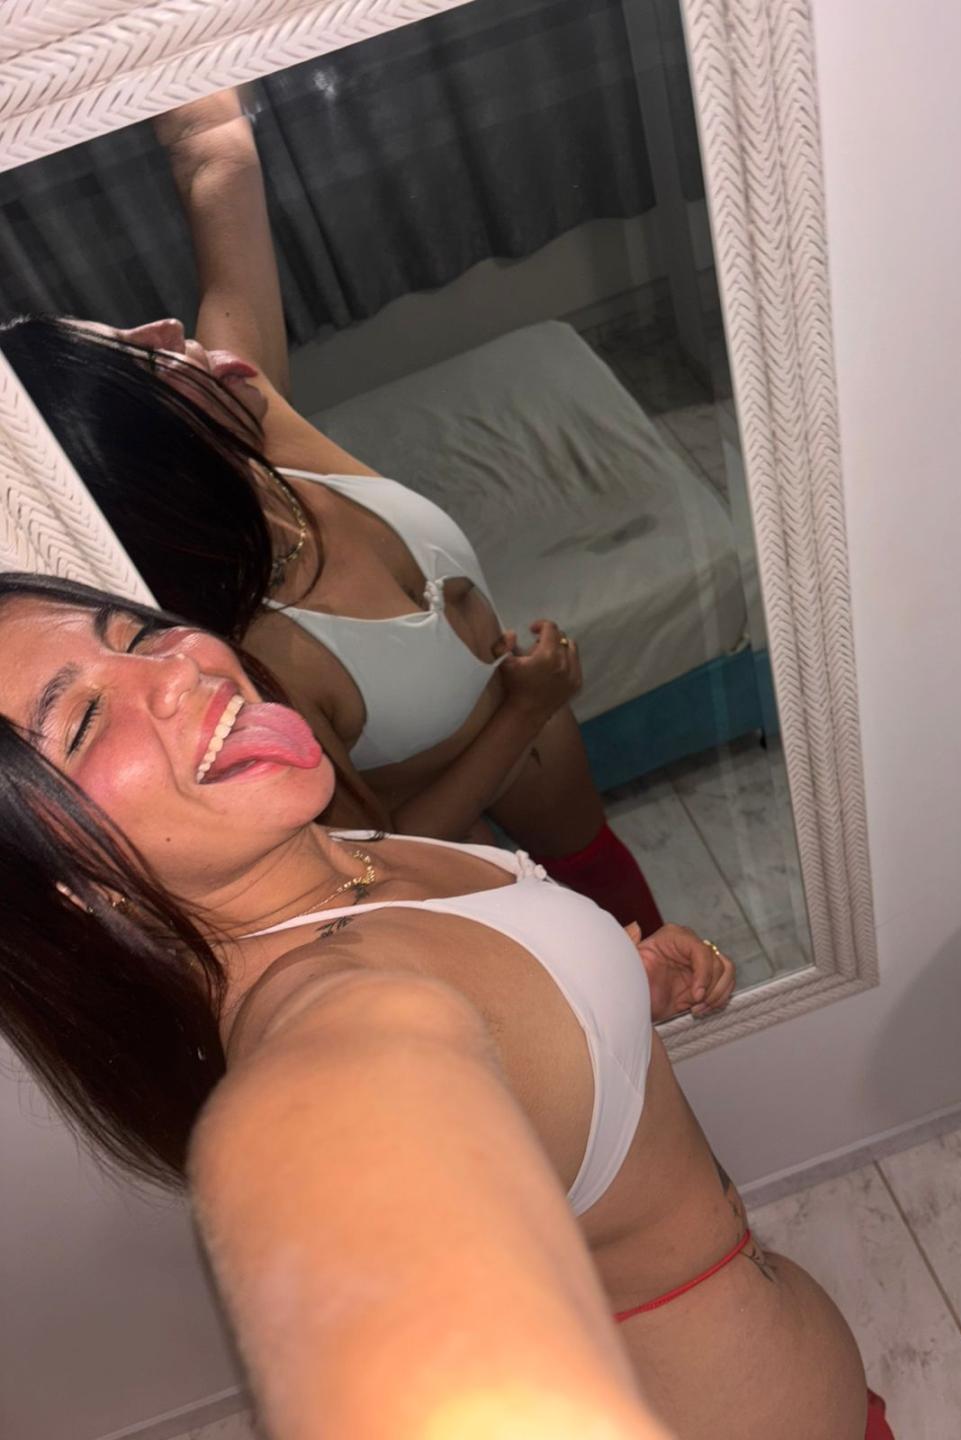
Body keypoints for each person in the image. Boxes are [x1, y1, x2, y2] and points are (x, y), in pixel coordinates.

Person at [0, 572, 893, 1440]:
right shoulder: (318, 1002)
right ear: (68, 885)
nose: (179, 669)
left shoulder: (315, 850)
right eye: (81, 720)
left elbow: (498, 1012)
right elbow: (347, 1103)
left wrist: (616, 989)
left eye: (139, 633)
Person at [0, 86, 663, 933]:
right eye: (143, 361)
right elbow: (367, 856)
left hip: (542, 754)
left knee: (626, 906)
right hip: (449, 816)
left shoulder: (255, 425)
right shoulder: (255, 651)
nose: (166, 327)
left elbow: (215, 150)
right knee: (554, 945)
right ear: (153, 467)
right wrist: (524, 710)